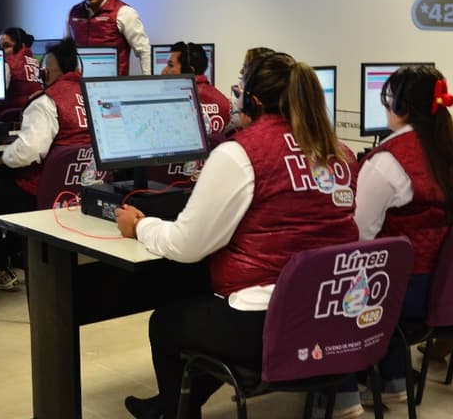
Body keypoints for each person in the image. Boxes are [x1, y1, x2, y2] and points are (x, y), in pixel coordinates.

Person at [116, 54, 360, 419]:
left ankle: (173, 411)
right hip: (333, 313)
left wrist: (140, 226)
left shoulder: (240, 153)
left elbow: (186, 245)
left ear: (254, 101)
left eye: (240, 92)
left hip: (269, 321)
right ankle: (174, 404)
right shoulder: (340, 153)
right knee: (200, 303)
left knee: (166, 322)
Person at [326, 65, 453, 417]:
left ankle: (342, 395)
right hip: (449, 285)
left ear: (400, 106)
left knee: (337, 274)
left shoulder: (387, 162)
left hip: (404, 295)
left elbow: (357, 235)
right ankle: (394, 380)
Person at [0, 38, 91, 289]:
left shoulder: (46, 101)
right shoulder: (94, 95)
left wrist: (7, 154)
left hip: (42, 191)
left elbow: (28, 153)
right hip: (84, 189)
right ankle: (18, 251)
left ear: (46, 72)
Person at [65, 0, 151, 76]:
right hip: (79, 83)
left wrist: (150, 81)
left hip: (113, 84)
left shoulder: (124, 12)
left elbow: (144, 50)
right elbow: (66, 50)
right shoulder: (73, 13)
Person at [161, 41, 231, 133]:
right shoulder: (226, 103)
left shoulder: (174, 105)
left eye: (170, 65)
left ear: (189, 70)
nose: (163, 71)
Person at [0, 27, 42, 120]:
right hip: (33, 118)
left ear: (20, 45)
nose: (1, 51)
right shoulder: (36, 63)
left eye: (6, 46)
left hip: (6, 120)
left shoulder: (7, 66)